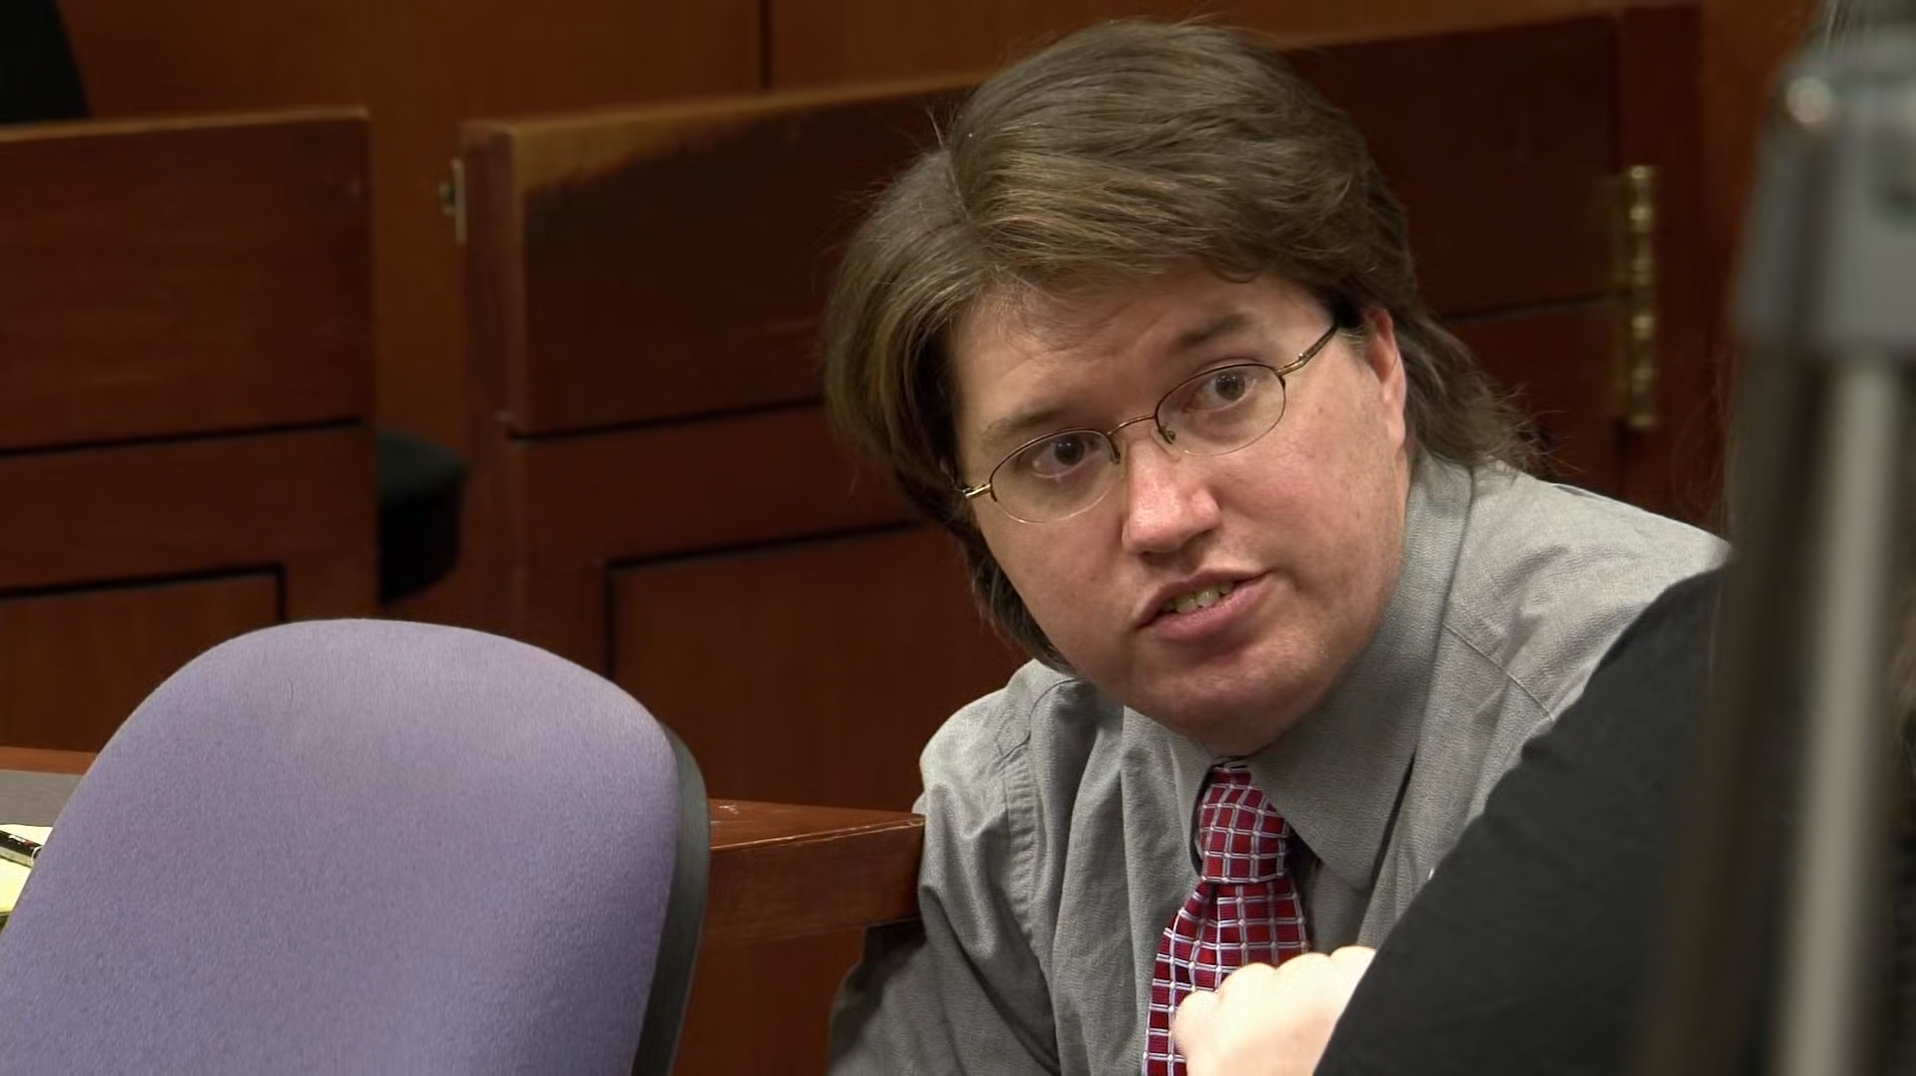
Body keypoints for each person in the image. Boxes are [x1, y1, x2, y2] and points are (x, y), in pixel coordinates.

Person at [821, 18, 1726, 1075]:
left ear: (1379, 362)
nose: (1164, 515)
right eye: (1060, 453)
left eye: (1225, 389)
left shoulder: (1683, 719)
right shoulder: (1012, 814)